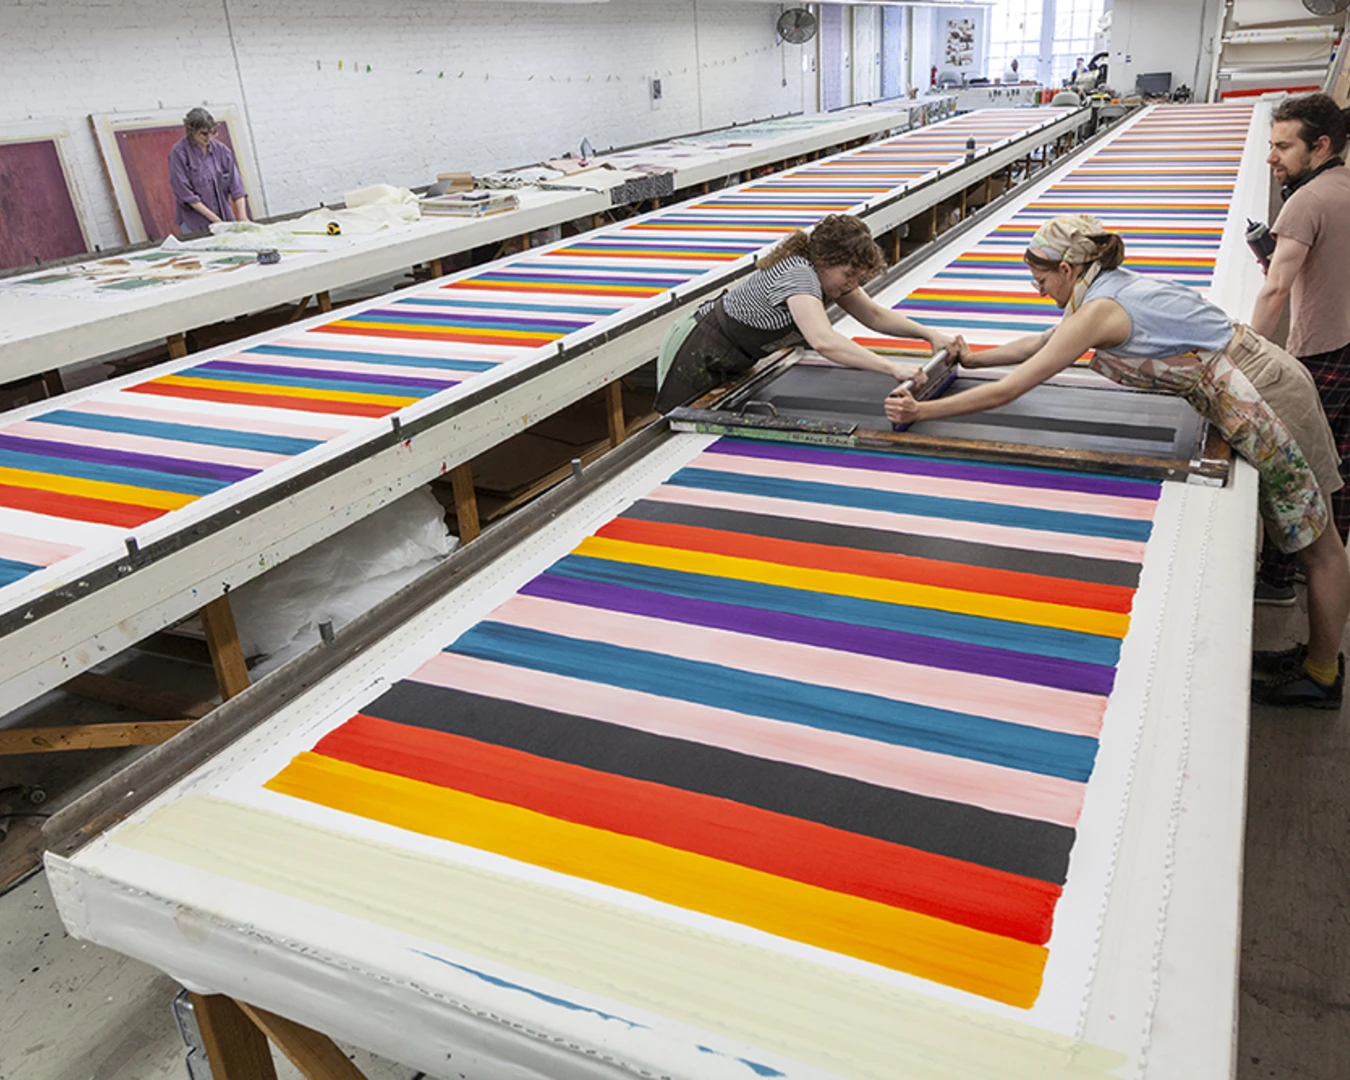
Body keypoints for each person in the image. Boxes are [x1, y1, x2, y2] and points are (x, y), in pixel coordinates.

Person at [883, 214, 1350, 708]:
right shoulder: (1103, 288)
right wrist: (971, 359)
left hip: (1267, 396)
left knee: (1319, 545)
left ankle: (1321, 676)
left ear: (1067, 268)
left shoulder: (1100, 308)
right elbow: (1044, 343)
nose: (1039, 292)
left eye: (1041, 281)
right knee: (1310, 538)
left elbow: (1015, 388)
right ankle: (1314, 658)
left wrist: (922, 409)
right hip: (1258, 382)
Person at [654, 214, 954, 413]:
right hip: (697, 348)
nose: (851, 285)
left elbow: (874, 315)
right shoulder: (798, 273)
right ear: (825, 259)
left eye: (858, 279)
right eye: (848, 274)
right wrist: (891, 368)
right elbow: (822, 340)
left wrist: (929, 335)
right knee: (677, 425)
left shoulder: (829, 280)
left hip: (734, 354)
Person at [1251, 93, 1350, 607]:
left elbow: (1276, 290)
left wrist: (1241, 354)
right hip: (1347, 342)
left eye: (1283, 147)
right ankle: (1323, 567)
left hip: (1325, 350)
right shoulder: (1344, 186)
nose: (1272, 158)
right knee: (1340, 472)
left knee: (1296, 466)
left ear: (1321, 146)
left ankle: (1278, 578)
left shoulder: (1305, 201)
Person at [169, 107, 249, 235]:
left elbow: (237, 187)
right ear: (191, 130)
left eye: (213, 132)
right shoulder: (179, 153)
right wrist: (215, 220)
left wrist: (242, 216)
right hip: (195, 223)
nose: (209, 137)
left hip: (225, 218)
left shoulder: (222, 151)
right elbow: (185, 194)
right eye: (204, 133)